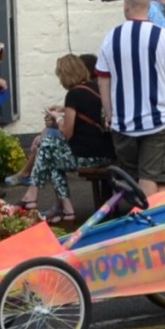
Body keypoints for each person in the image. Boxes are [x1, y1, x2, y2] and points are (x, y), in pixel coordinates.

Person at [95, 0, 165, 196]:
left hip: (123, 125)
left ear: (125, 7)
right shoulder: (162, 36)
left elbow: (103, 80)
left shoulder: (111, 37)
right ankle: (149, 227)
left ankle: (156, 224)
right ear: (149, 7)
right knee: (151, 178)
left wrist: (110, 114)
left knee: (151, 182)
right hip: (157, 121)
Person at [20, 54, 111, 223]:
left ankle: (32, 195)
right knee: (51, 158)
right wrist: (61, 113)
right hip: (105, 152)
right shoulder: (96, 88)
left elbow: (67, 132)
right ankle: (67, 210)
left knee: (47, 146)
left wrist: (57, 119)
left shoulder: (74, 94)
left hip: (87, 157)